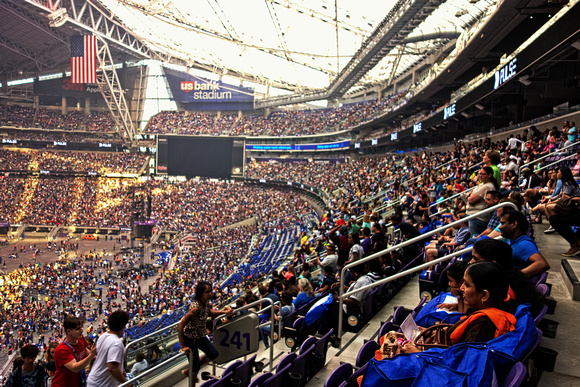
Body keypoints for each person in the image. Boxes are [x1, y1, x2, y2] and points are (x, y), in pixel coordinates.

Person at [401, 261, 517, 353]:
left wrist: (416, 354)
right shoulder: (484, 311)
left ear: (484, 295)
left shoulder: (482, 325)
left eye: (466, 284)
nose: (461, 288)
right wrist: (432, 332)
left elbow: (460, 368)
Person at [177, 281, 232, 384]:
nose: (210, 293)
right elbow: (180, 325)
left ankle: (190, 370)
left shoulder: (205, 302)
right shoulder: (195, 308)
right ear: (200, 293)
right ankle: (192, 376)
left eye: (210, 291)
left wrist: (224, 312)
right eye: (207, 292)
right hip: (189, 338)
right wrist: (182, 346)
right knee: (195, 366)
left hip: (200, 335)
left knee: (213, 353)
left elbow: (209, 312)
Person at [499, 210, 550, 277]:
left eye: (502, 223)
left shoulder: (524, 244)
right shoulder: (511, 241)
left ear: (514, 224)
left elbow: (542, 264)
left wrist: (514, 276)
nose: (500, 227)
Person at [87, 310, 131, 387]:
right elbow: (112, 367)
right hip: (102, 383)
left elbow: (105, 359)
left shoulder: (103, 336)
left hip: (94, 379)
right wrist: (126, 383)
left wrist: (120, 370)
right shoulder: (116, 343)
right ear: (124, 326)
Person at [52, 317, 97, 387]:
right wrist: (91, 355)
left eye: (81, 327)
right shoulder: (62, 349)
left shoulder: (80, 338)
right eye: (78, 329)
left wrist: (95, 357)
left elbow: (84, 351)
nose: (81, 330)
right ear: (68, 331)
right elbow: (75, 367)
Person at [465, 166, 499, 235]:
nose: (480, 176)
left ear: (489, 175)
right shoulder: (482, 184)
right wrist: (470, 194)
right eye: (480, 174)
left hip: (478, 217)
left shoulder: (487, 186)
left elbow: (471, 199)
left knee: (476, 237)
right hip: (473, 215)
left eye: (483, 174)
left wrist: (469, 195)